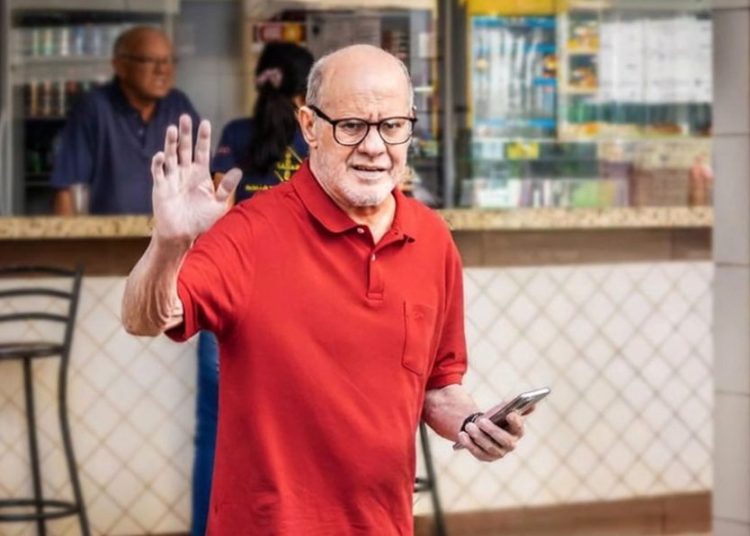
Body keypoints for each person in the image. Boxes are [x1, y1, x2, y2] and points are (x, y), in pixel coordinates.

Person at [122, 44, 528, 535]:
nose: (374, 146)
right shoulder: (250, 231)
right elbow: (144, 317)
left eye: (392, 126)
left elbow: (438, 387)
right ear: (310, 126)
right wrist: (168, 245)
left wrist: (472, 424)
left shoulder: (432, 239)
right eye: (352, 126)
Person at [191, 42, 314, 536]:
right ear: (309, 92)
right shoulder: (321, 141)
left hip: (231, 295)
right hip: (302, 303)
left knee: (214, 432)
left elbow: (217, 216)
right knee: (296, 438)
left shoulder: (236, 136)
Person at [51, 26, 199, 215]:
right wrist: (68, 234)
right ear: (120, 66)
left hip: (170, 231)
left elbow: (202, 178)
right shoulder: (95, 108)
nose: (162, 69)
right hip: (108, 232)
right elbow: (66, 189)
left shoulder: (178, 105)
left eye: (168, 60)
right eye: (150, 60)